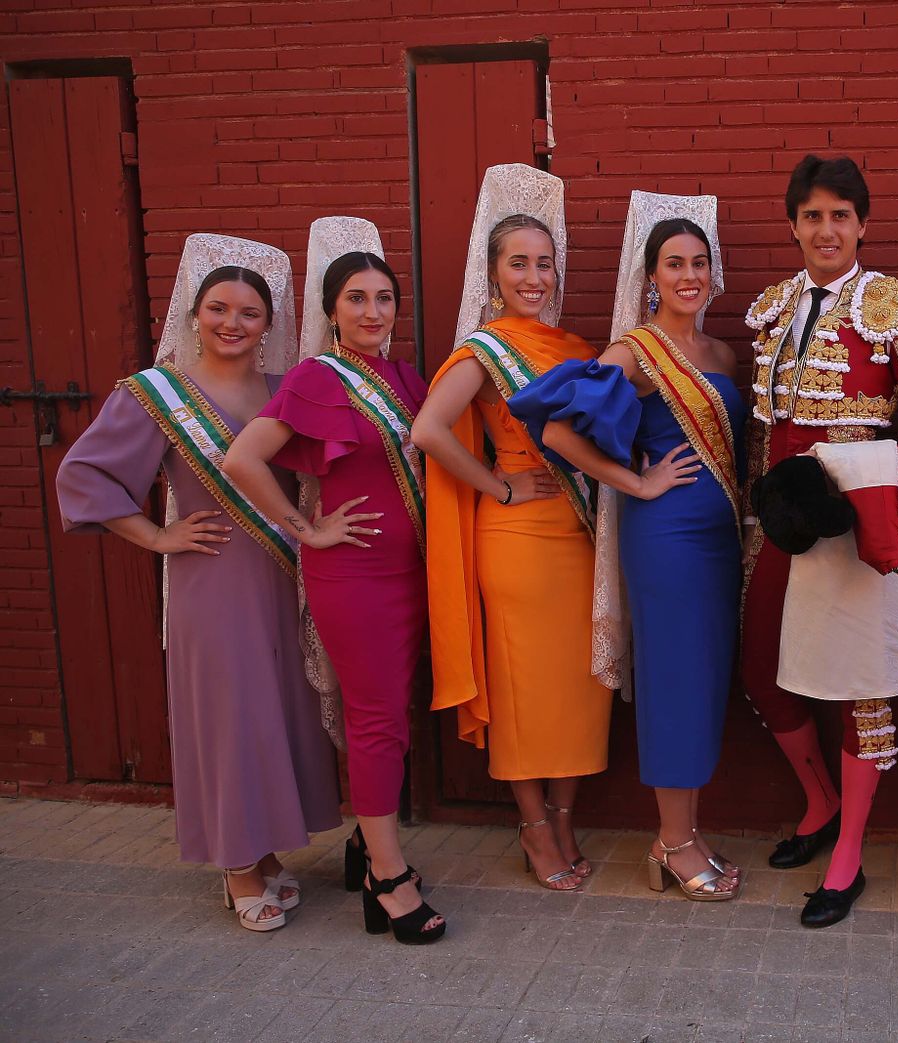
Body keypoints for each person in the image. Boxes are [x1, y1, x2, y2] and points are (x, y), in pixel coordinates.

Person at [55, 234, 341, 934]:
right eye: (218, 308)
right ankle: (237, 864)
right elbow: (83, 475)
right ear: (194, 313)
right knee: (228, 717)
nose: (232, 323)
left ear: (268, 324)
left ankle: (266, 848)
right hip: (211, 581)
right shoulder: (159, 394)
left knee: (274, 710)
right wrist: (156, 536)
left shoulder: (282, 387)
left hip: (278, 577)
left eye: (248, 312)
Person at [742, 155, 898, 928]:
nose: (826, 229)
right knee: (762, 672)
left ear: (863, 224)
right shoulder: (772, 308)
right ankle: (821, 804)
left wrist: (876, 472)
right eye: (812, 215)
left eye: (841, 215)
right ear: (795, 226)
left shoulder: (895, 309)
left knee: (860, 693)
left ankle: (848, 860)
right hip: (782, 521)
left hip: (855, 523)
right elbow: (767, 427)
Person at [511, 192, 744, 902]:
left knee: (704, 682)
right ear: (651, 276)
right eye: (675, 263)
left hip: (719, 540)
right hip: (666, 540)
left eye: (699, 262)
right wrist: (636, 484)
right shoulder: (635, 351)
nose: (689, 275)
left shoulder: (722, 349)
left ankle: (686, 833)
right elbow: (555, 432)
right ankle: (672, 842)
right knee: (675, 682)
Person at [222, 229, 443, 944]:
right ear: (332, 309)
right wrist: (304, 527)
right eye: (357, 299)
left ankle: (366, 846)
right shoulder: (318, 377)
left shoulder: (407, 379)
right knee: (377, 723)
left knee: (391, 718)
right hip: (354, 576)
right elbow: (243, 458)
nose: (372, 311)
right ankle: (388, 878)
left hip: (411, 575)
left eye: (384, 298)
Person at [412, 165, 612, 892]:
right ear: (494, 275)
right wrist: (496, 483)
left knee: (578, 687)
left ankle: (563, 818)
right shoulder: (483, 349)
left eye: (544, 262)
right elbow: (429, 430)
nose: (533, 275)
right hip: (519, 541)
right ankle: (533, 827)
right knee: (527, 691)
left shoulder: (578, 346)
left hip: (579, 536)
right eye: (518, 263)